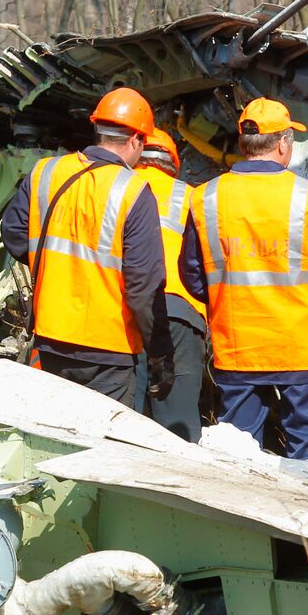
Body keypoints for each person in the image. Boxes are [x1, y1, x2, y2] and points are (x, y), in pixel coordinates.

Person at [180, 98, 308, 459]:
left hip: (238, 346)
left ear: (244, 145)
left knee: (237, 454)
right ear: (284, 143)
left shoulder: (205, 198)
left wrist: (225, 300)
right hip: (301, 345)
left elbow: (191, 275)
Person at [0, 88, 173, 407]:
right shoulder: (134, 191)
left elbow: (13, 234)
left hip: (51, 338)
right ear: (136, 139)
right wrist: (160, 350)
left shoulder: (45, 172)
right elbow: (143, 286)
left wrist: (54, 269)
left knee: (57, 440)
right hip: (110, 349)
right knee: (105, 446)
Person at [136, 127, 206, 441]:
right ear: (173, 164)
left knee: (118, 415)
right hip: (180, 312)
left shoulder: (115, 188)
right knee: (178, 426)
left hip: (123, 312)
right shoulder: (192, 197)